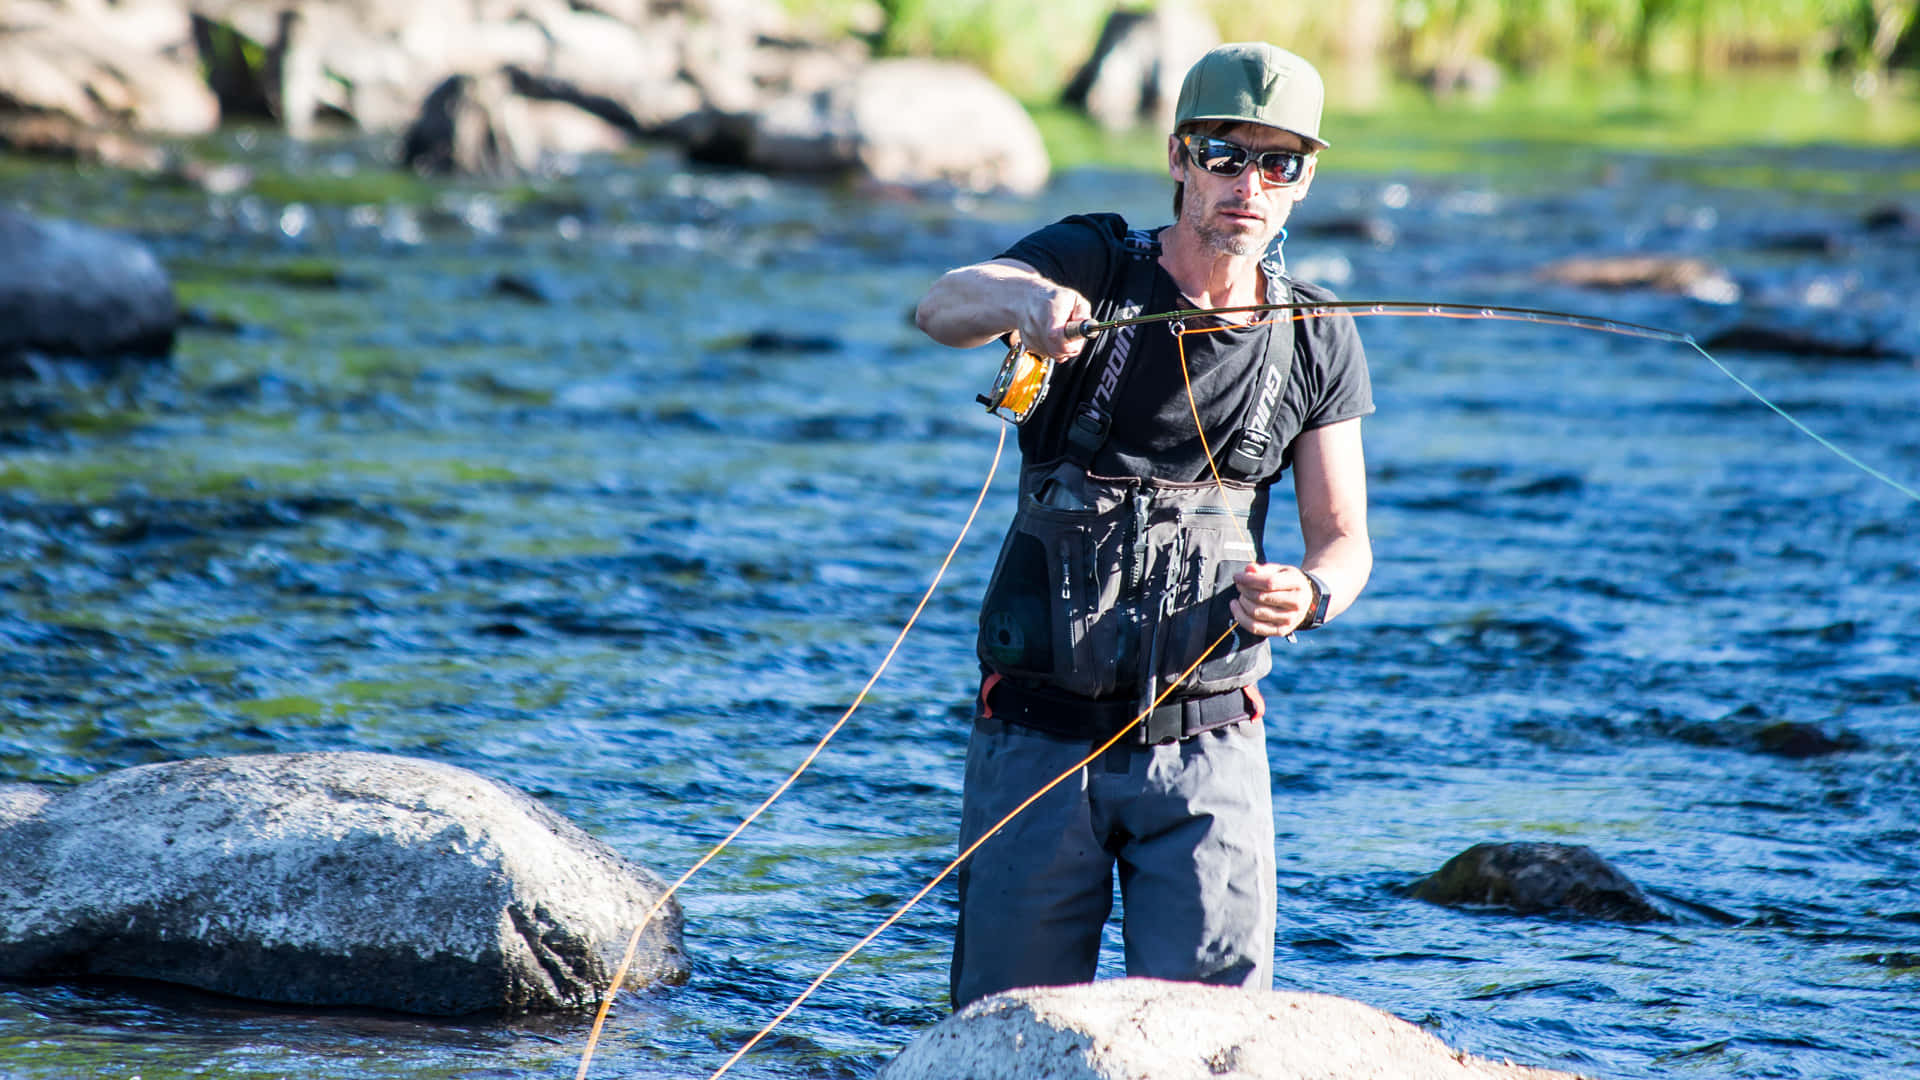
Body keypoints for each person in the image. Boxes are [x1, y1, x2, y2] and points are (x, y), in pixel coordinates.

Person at [913, 41, 1375, 1009]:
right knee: (1006, 1030)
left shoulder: (1318, 331)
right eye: (1224, 154)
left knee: (1216, 1041)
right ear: (1178, 158)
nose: (1249, 181)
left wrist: (1312, 592)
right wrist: (1024, 298)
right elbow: (941, 304)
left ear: (1304, 181)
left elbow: (1343, 540)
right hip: (1038, 744)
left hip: (1209, 750)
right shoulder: (1089, 260)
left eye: (1278, 161)